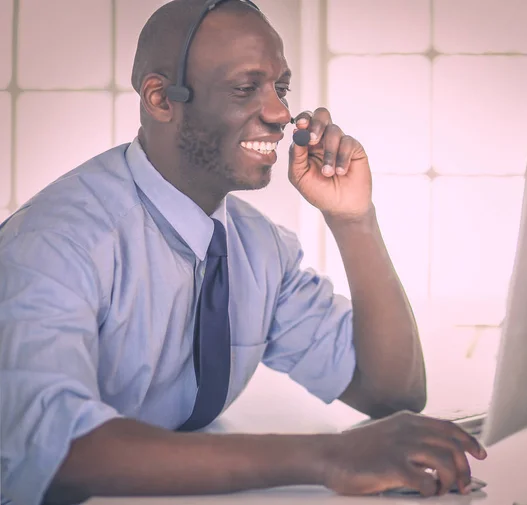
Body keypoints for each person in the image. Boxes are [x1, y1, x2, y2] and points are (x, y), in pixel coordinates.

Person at [0, 1, 487, 504]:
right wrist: (328, 456)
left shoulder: (259, 248)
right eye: (244, 88)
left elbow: (390, 392)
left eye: (281, 88)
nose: (280, 114)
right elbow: (61, 450)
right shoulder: (55, 244)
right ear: (161, 98)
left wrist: (353, 219)